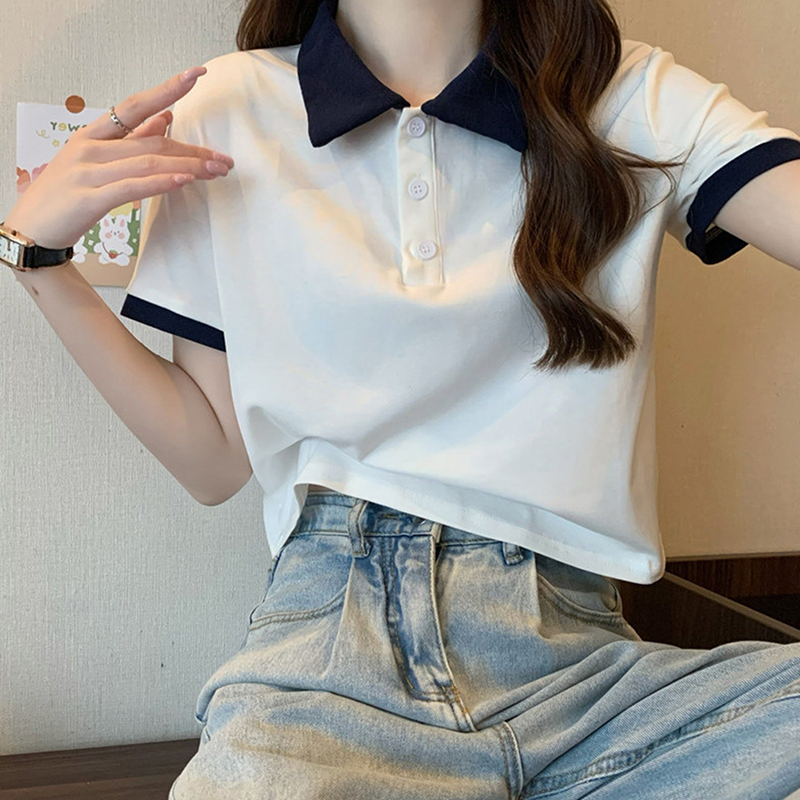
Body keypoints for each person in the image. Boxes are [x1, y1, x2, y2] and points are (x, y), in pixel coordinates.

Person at [3, 0, 800, 797]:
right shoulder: (228, 105)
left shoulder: (626, 94)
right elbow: (211, 460)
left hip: (593, 686)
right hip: (331, 674)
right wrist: (40, 261)